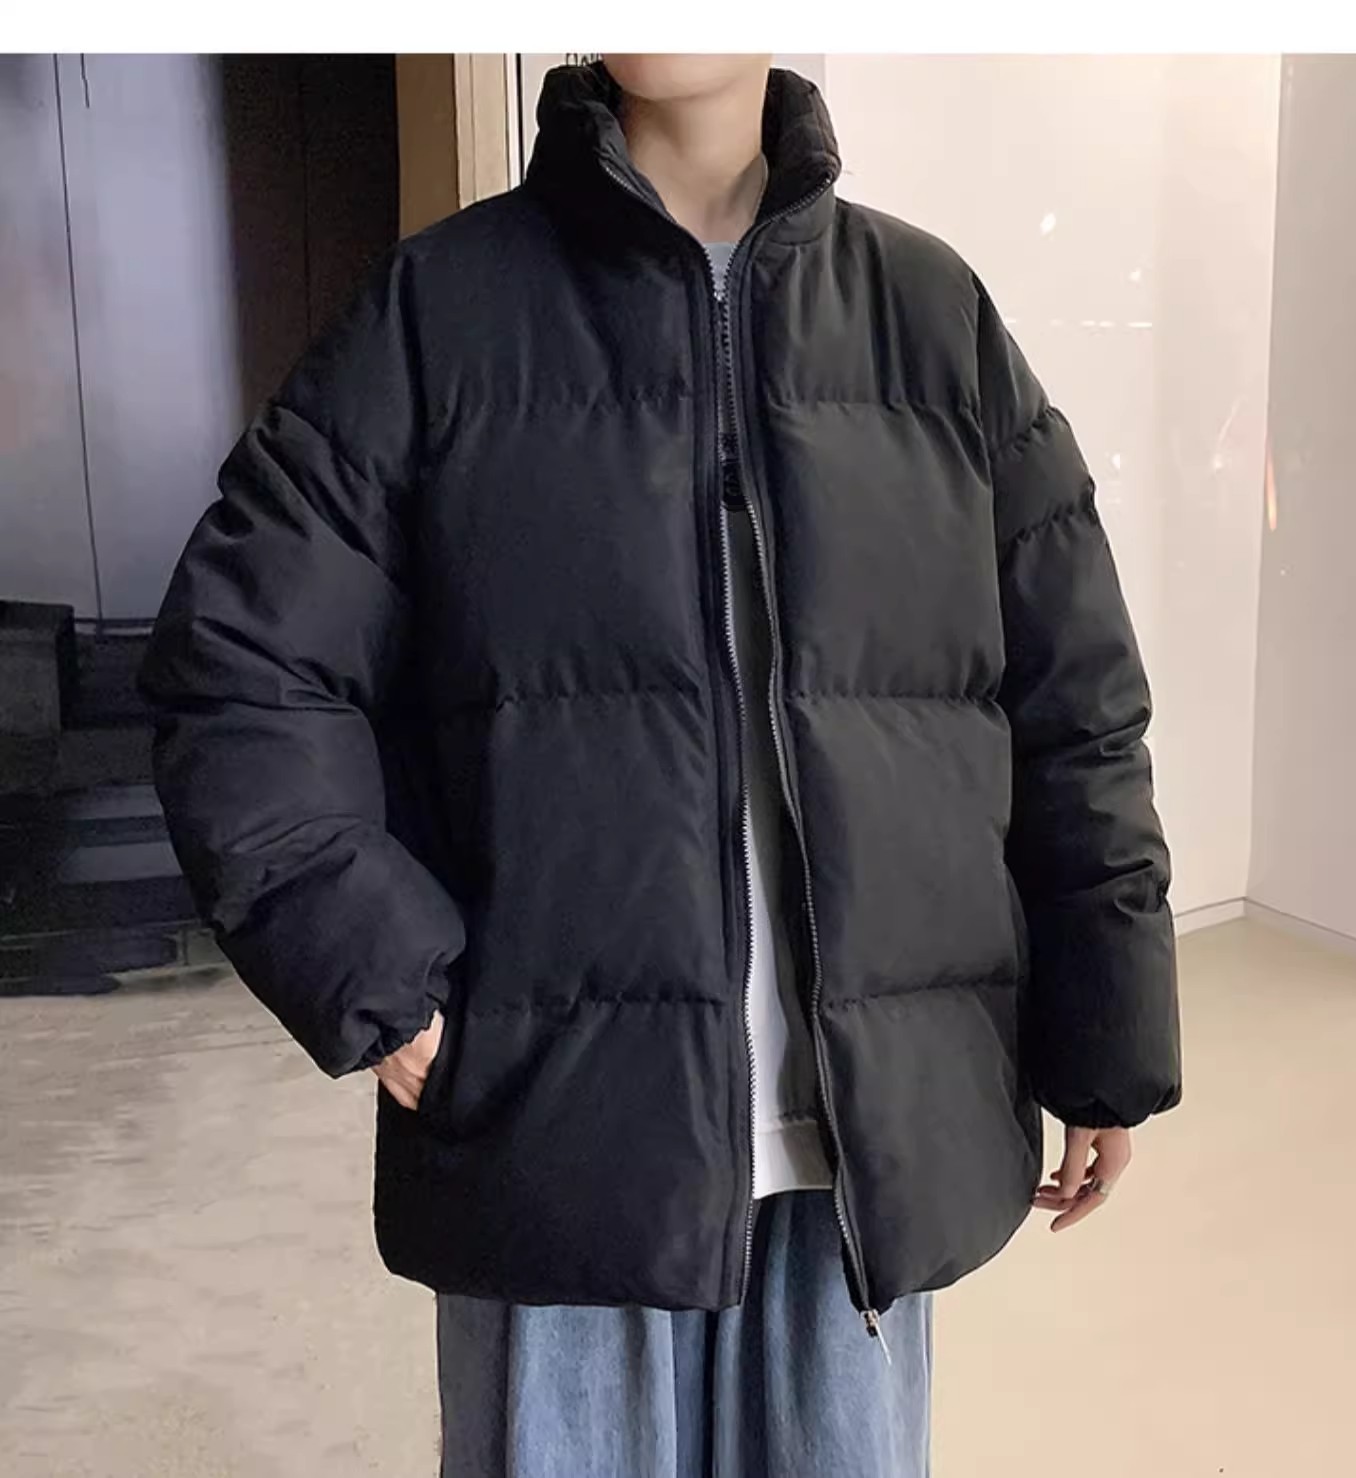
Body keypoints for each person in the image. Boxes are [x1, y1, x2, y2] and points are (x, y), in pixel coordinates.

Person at [137, 54, 1182, 1477]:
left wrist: (1105, 1027)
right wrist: (364, 957)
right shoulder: (443, 312)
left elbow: (1074, 705)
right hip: (553, 1124)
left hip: (860, 1151)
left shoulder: (933, 319)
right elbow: (241, 659)